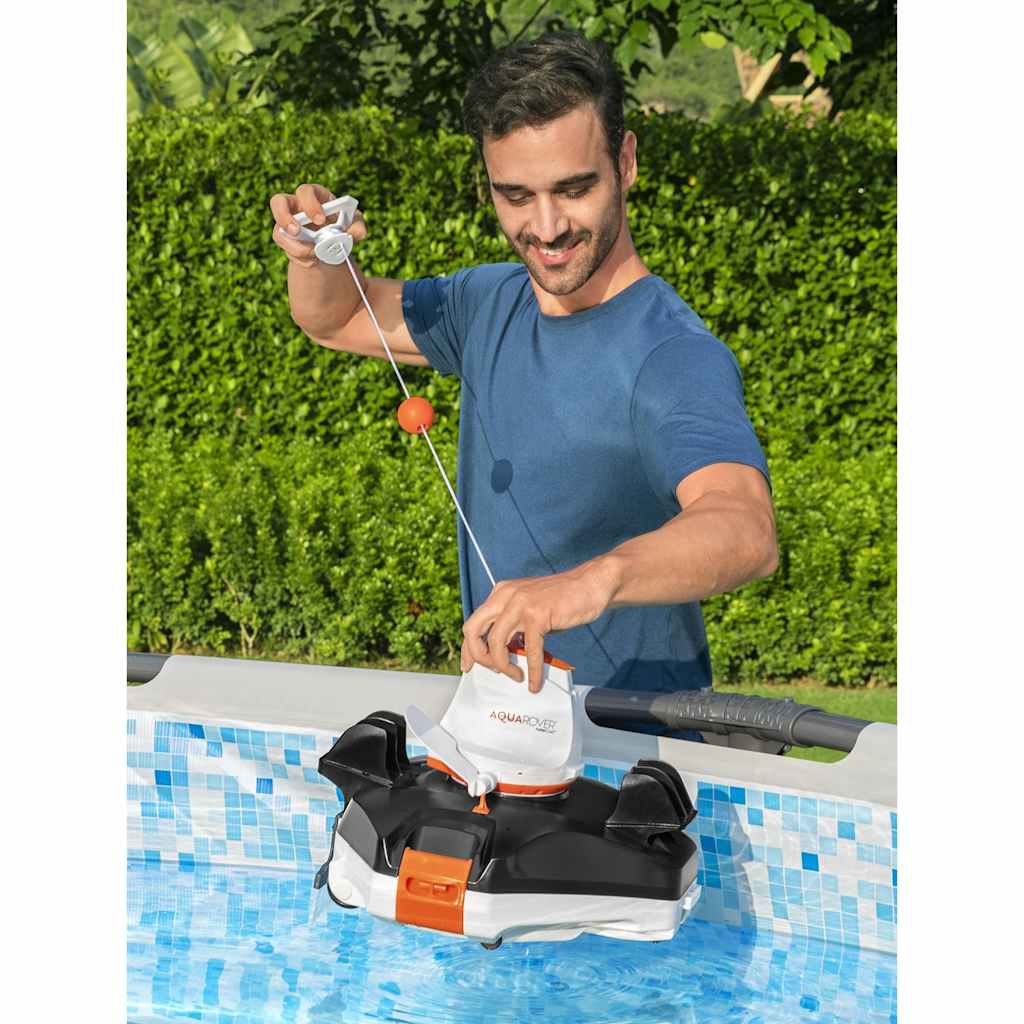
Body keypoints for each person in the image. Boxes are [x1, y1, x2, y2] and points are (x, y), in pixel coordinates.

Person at [269, 30, 777, 707]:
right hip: (499, 728)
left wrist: (588, 583)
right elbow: (336, 318)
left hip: (631, 748)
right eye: (515, 195)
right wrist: (314, 257)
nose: (547, 226)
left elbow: (745, 529)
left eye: (574, 188)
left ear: (625, 162)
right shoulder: (488, 302)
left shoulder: (671, 355)